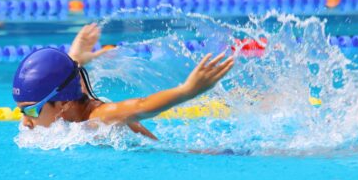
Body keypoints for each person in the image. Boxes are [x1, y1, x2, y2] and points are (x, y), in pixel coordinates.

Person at [13, 23, 234, 140]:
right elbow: (67, 78)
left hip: (170, 153)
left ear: (61, 104)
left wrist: (187, 90)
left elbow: (140, 107)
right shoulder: (71, 101)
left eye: (30, 111)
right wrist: (76, 56)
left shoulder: (99, 118)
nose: (25, 122)